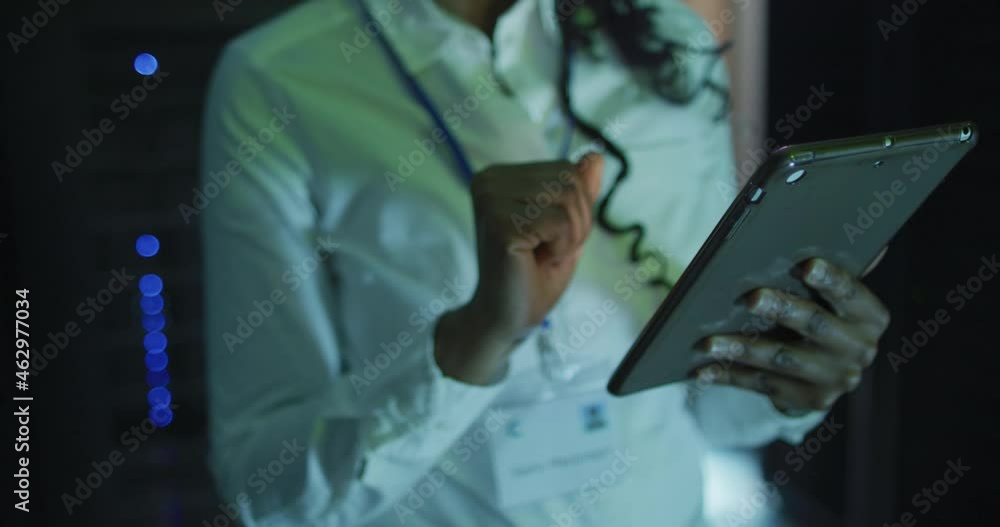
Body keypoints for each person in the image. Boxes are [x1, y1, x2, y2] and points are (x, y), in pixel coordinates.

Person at [201, 0, 890, 525]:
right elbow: (268, 486)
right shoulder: (279, 76)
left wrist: (787, 378)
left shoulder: (664, 36)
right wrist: (475, 339)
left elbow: (711, 413)